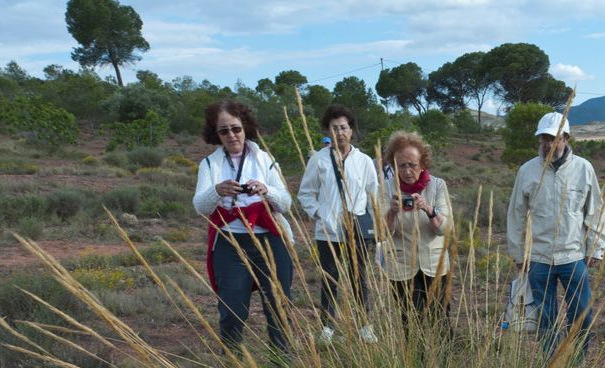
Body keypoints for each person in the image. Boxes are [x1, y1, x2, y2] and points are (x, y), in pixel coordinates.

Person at [192, 99, 295, 351]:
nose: (231, 135)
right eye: (224, 131)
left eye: (236, 128)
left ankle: (282, 364)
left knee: (279, 306)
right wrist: (217, 191)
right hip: (230, 243)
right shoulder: (209, 164)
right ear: (216, 134)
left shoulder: (265, 159)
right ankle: (233, 363)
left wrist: (266, 190)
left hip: (270, 239)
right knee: (232, 308)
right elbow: (200, 207)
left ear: (245, 127)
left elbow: (285, 203)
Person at [506, 111, 605, 361]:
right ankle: (551, 363)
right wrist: (518, 254)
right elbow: (516, 214)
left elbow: (595, 210)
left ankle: (576, 363)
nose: (548, 144)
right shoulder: (527, 171)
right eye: (544, 138)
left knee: (581, 314)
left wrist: (596, 248)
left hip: (573, 256)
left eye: (554, 138)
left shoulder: (583, 168)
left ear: (566, 138)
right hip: (539, 259)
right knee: (545, 317)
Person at [298, 105, 380, 344]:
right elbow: (306, 193)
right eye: (334, 128)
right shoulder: (318, 160)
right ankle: (327, 327)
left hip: (358, 230)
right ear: (328, 131)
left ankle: (365, 326)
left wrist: (374, 225)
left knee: (359, 277)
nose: (340, 132)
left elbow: (373, 194)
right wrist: (320, 214)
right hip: (328, 232)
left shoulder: (364, 161)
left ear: (351, 130)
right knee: (329, 278)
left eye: (343, 127)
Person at [379, 131, 452, 329]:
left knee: (441, 322)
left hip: (435, 265)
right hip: (402, 267)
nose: (407, 171)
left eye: (412, 165)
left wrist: (429, 209)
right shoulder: (386, 189)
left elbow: (445, 229)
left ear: (423, 164)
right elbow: (381, 233)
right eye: (401, 165)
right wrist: (392, 212)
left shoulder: (437, 186)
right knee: (411, 324)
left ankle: (442, 351)